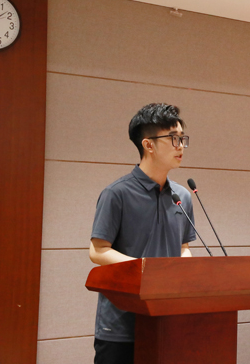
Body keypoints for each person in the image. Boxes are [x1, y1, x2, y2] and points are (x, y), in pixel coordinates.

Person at [89, 103, 196, 364]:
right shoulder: (117, 193)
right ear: (148, 145)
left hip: (166, 318)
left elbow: (183, 248)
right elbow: (98, 251)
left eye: (183, 138)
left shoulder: (182, 196)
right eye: (173, 139)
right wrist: (146, 271)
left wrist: (189, 272)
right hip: (121, 324)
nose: (181, 146)